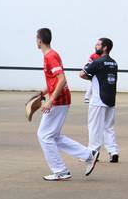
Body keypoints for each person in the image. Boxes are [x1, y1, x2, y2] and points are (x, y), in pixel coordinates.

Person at [35, 28, 98, 181]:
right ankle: (88, 154)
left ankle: (60, 170)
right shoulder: (50, 56)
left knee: (44, 135)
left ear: (40, 40)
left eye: (36, 38)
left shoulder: (50, 56)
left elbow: (62, 79)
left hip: (59, 101)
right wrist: (44, 92)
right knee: (53, 136)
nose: (35, 41)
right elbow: (55, 80)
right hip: (59, 100)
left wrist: (50, 100)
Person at [80, 38, 120, 163]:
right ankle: (113, 152)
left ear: (105, 48)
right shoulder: (114, 63)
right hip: (111, 100)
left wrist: (89, 63)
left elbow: (82, 74)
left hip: (98, 100)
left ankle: (93, 153)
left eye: (98, 44)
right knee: (109, 127)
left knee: (94, 127)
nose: (95, 46)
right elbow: (102, 77)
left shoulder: (97, 62)